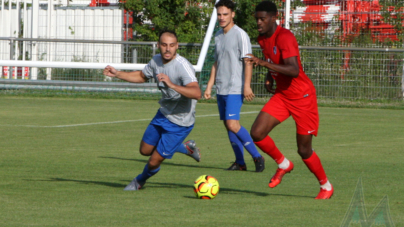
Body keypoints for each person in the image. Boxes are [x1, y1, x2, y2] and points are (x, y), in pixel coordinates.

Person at [246, 1, 333, 199]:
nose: (259, 22)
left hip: (302, 97)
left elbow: (293, 70)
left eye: (263, 19)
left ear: (274, 17)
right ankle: (283, 164)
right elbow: (273, 60)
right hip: (283, 96)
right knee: (257, 133)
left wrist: (261, 63)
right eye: (257, 18)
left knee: (304, 149)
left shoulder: (285, 37)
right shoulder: (262, 38)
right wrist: (270, 75)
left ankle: (326, 186)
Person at [103, 30, 202, 191]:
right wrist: (118, 74)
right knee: (144, 150)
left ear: (177, 46)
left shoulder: (183, 66)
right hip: (163, 114)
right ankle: (186, 148)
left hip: (180, 122)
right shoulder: (156, 61)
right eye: (164, 45)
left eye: (171, 45)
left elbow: (197, 93)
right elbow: (142, 76)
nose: (167, 49)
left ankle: (139, 181)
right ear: (158, 46)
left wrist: (172, 85)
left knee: (154, 161)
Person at [204, 0, 265, 172]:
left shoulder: (240, 35)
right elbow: (216, 63)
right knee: (228, 125)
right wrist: (209, 86)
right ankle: (240, 163)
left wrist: (247, 86)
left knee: (233, 124)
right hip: (221, 88)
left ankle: (257, 157)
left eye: (225, 14)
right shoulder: (217, 35)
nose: (222, 18)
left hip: (235, 87)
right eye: (219, 14)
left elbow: (248, 62)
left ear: (233, 14)